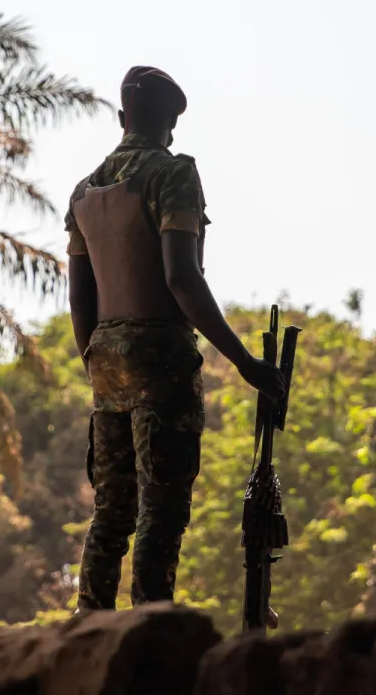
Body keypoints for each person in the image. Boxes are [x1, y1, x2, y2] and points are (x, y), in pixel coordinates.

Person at [65, 65, 286, 611]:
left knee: (111, 511)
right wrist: (244, 362)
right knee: (160, 511)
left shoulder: (84, 191)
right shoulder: (173, 175)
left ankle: (89, 628)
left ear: (122, 117)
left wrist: (98, 364)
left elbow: (80, 299)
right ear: (171, 123)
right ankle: (150, 629)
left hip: (104, 363)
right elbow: (182, 278)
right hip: (161, 360)